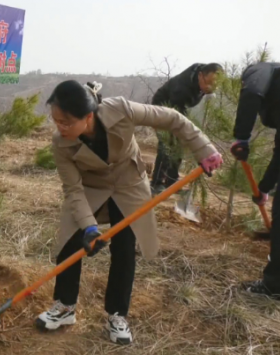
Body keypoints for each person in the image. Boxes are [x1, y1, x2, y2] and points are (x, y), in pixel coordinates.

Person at [36, 80, 222, 344]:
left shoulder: (121, 110)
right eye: (56, 121)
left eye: (66, 122)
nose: (60, 128)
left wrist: (205, 148)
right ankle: (65, 307)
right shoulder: (61, 142)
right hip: (92, 188)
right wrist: (89, 227)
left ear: (88, 116)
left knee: (124, 249)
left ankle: (116, 314)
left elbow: (171, 118)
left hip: (128, 183)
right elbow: (73, 189)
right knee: (69, 239)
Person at [230, 61, 280, 302]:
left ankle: (275, 287)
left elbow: (252, 92)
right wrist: (263, 189)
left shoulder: (261, 70)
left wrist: (241, 137)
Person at [150, 63, 223, 195]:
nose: (211, 88)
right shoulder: (182, 89)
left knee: (178, 146)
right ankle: (157, 183)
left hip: (179, 109)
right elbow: (178, 117)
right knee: (167, 145)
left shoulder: (200, 75)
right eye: (209, 83)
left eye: (215, 85)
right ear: (201, 76)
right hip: (162, 108)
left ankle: (172, 183)